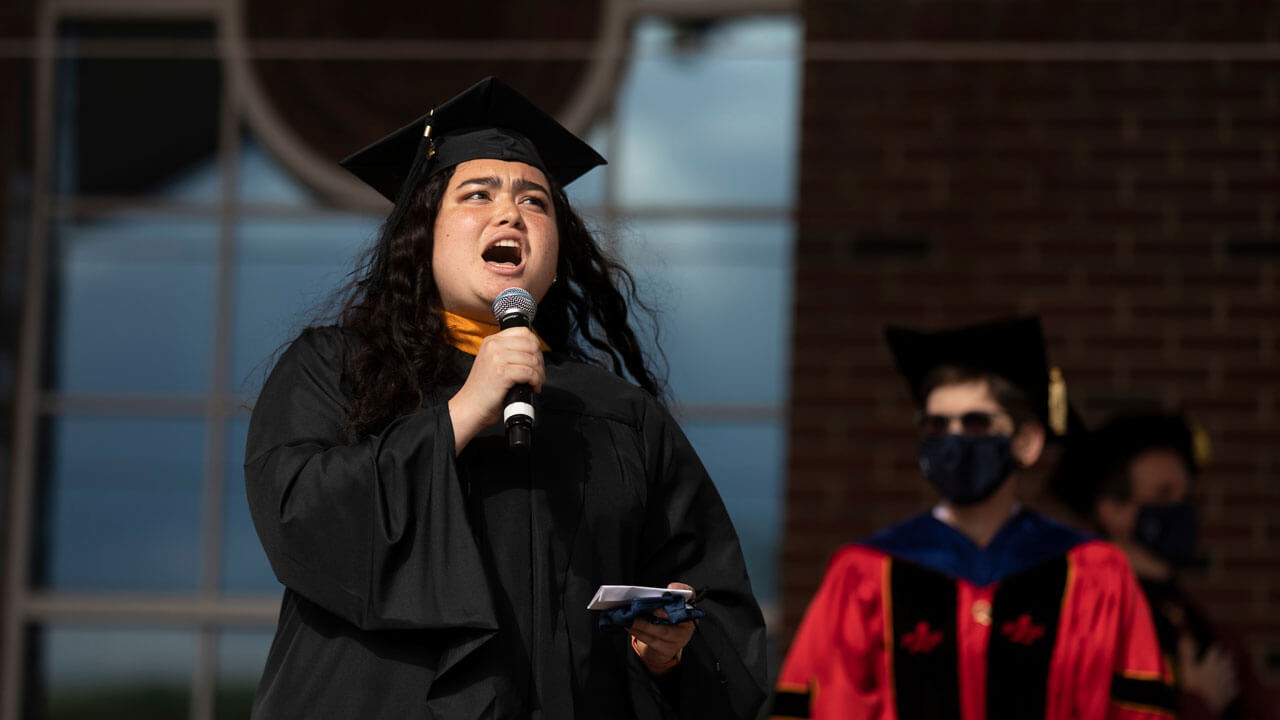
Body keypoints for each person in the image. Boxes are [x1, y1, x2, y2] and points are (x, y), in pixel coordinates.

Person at [244, 76, 767, 719]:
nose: (510, 214)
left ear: (555, 256)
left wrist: (668, 652)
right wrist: (460, 414)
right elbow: (301, 519)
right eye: (477, 194)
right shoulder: (338, 369)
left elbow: (717, 613)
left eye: (535, 201)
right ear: (423, 232)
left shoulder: (619, 417)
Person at [770, 316, 1175, 720]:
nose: (953, 441)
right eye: (936, 425)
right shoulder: (866, 575)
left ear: (1027, 443)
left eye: (976, 423)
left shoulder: (1091, 574)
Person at [1051, 413, 1276, 720]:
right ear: (1112, 510)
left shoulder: (1201, 627)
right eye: (1164, 494)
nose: (1181, 509)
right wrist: (1197, 703)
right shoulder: (1080, 620)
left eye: (1187, 496)